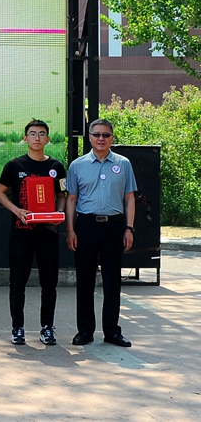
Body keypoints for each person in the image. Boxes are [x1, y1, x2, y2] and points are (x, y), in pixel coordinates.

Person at [0, 119, 67, 346]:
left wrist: (58, 213)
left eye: (42, 134)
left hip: (48, 233)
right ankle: (18, 328)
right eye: (33, 133)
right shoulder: (14, 165)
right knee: (18, 283)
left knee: (49, 283)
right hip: (22, 233)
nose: (37, 137)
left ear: (48, 139)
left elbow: (62, 195)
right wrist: (17, 210)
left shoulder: (56, 167)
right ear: (25, 138)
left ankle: (47, 328)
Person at [66, 118, 137, 347]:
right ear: (89, 137)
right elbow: (71, 199)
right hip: (86, 226)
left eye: (106, 135)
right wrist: (70, 230)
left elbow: (129, 198)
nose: (101, 139)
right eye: (96, 134)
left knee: (112, 280)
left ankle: (112, 331)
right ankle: (85, 330)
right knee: (85, 279)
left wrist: (129, 228)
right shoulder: (77, 165)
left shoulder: (123, 164)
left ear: (112, 138)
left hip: (114, 227)